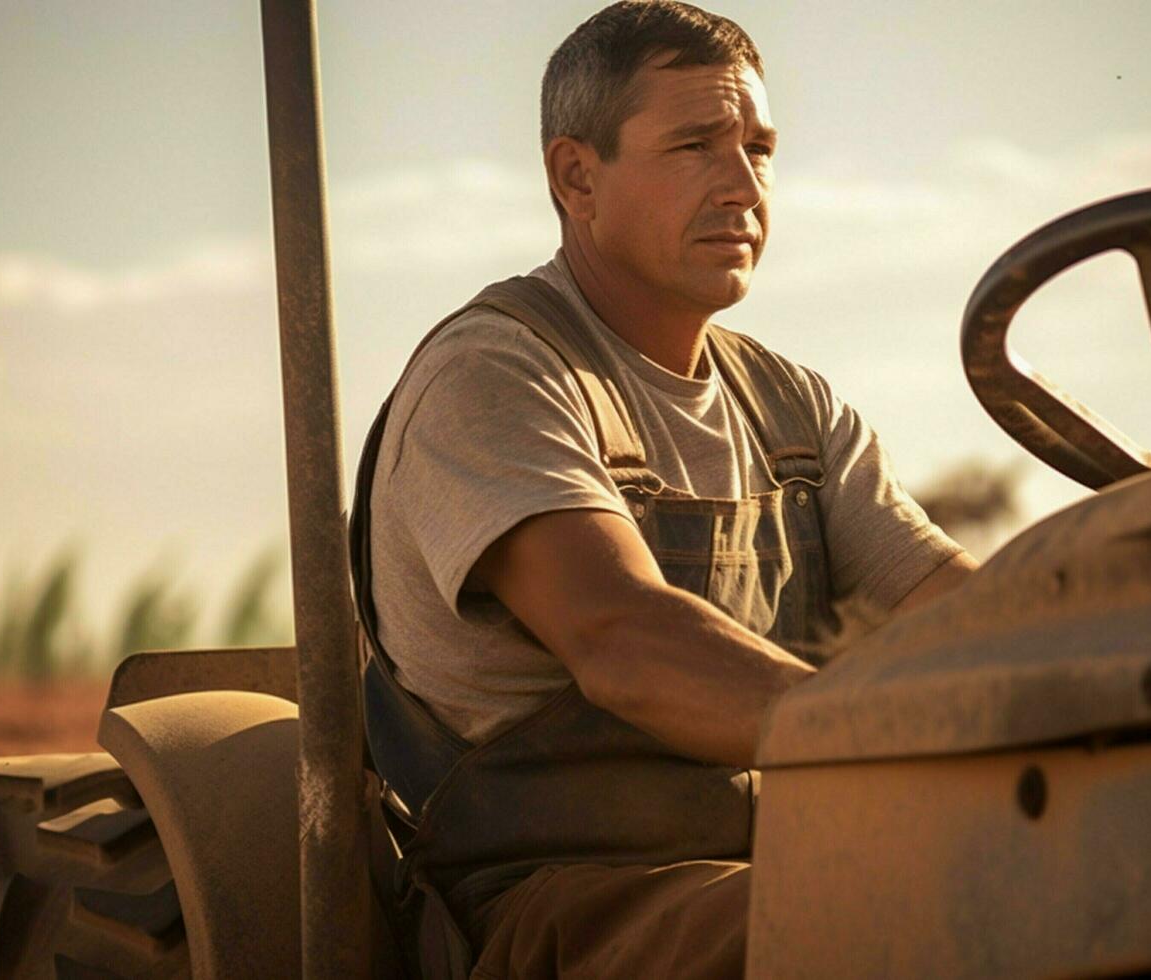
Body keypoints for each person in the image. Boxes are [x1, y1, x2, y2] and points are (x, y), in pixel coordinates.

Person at [350, 3, 976, 977]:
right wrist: (883, 736)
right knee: (899, 919)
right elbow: (623, 640)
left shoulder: (793, 412)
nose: (744, 185)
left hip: (766, 860)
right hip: (551, 902)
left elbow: (965, 614)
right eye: (695, 144)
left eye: (761, 149)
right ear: (576, 175)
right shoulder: (498, 375)